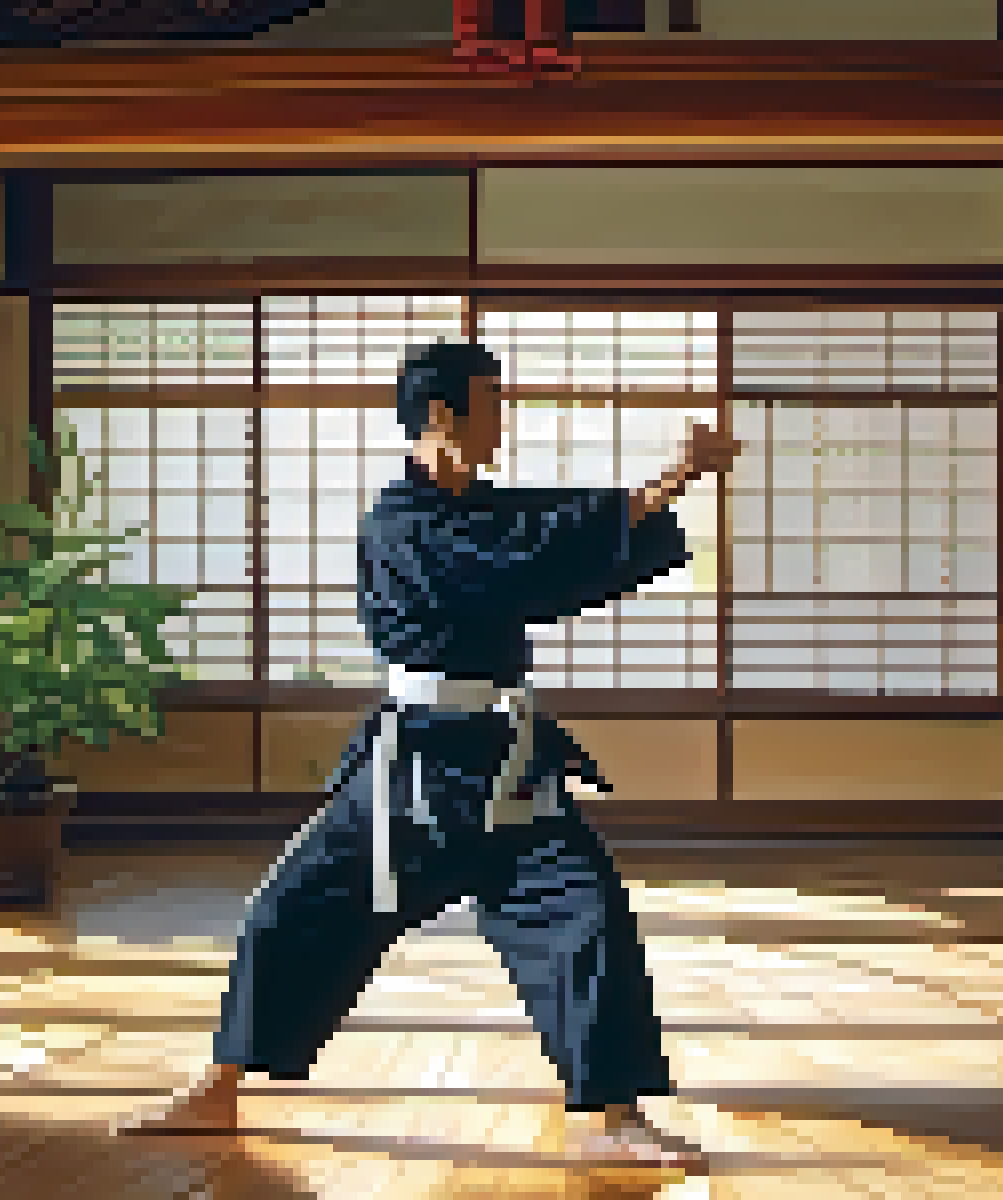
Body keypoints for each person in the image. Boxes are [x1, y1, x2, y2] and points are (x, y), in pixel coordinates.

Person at [115, 341, 744, 1169]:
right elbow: (522, 561)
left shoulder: (481, 509)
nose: (502, 418)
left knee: (587, 914)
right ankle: (217, 1089)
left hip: (508, 763)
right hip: (412, 767)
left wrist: (674, 481)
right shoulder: (401, 522)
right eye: (492, 401)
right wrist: (670, 480)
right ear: (443, 413)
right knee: (291, 909)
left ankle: (613, 1115)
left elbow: (557, 536)